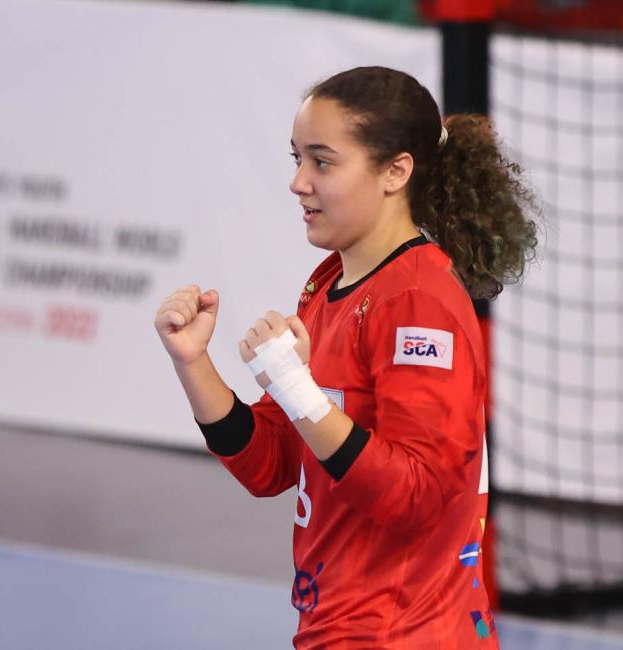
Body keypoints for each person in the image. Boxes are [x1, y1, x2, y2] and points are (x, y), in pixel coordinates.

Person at [154, 66, 539, 649]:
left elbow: (416, 495)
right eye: (296, 159)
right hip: (340, 627)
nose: (299, 182)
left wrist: (296, 387)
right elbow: (271, 465)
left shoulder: (418, 303)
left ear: (395, 172)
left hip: (402, 635)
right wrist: (194, 363)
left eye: (322, 161)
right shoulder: (328, 285)